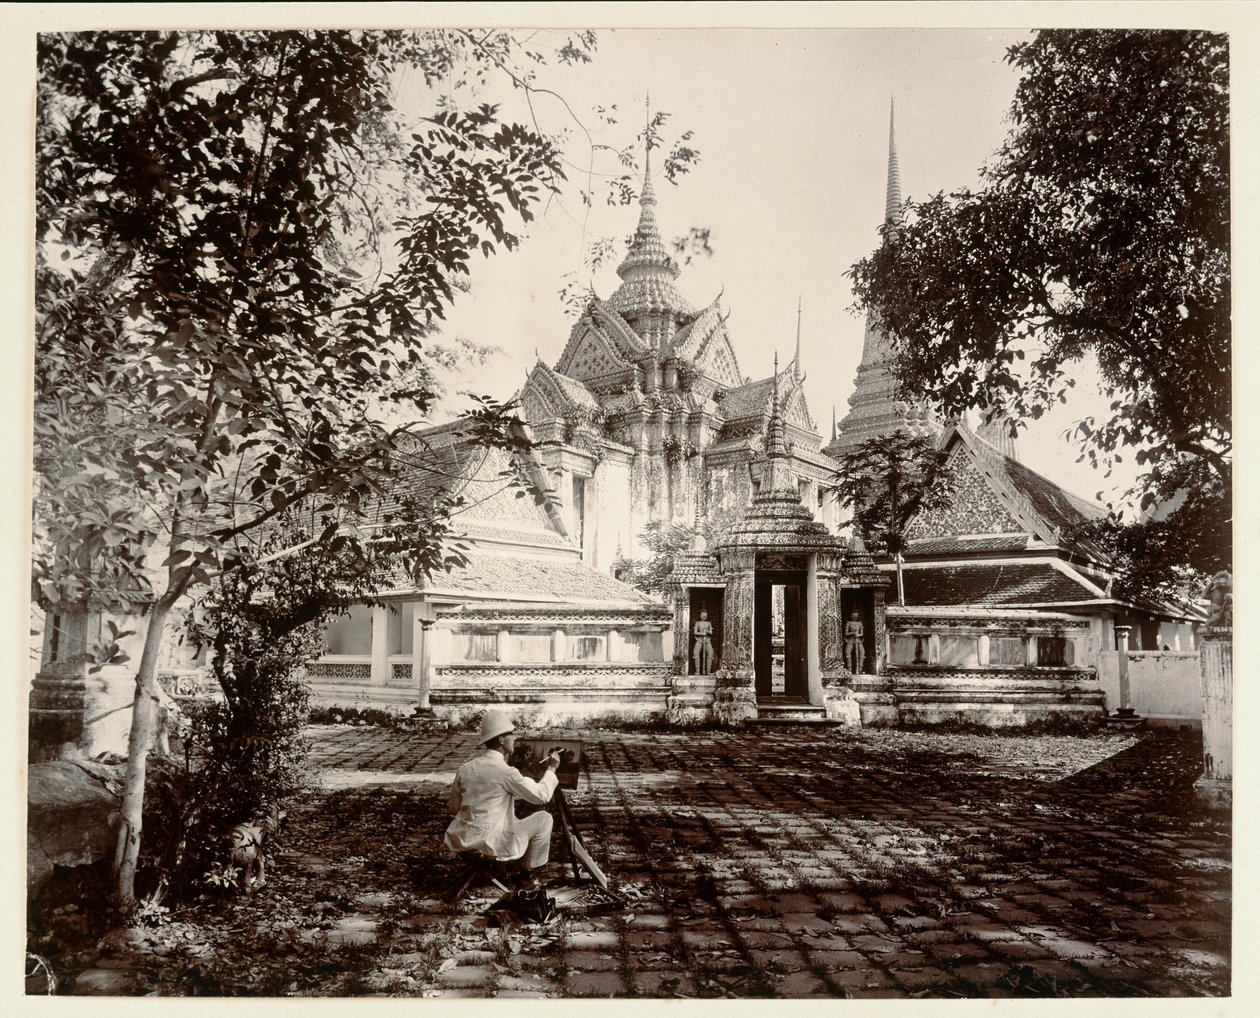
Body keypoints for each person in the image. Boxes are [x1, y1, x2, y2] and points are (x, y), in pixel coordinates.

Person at [444, 710, 561, 893]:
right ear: (500, 740)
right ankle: (527, 876)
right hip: (492, 842)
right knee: (544, 818)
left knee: (511, 819)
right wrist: (552, 769)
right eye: (511, 734)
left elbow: (453, 808)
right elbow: (542, 796)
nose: (514, 739)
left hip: (463, 839)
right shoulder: (506, 772)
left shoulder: (466, 768)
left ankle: (497, 869)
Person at [692, 609, 714, 675]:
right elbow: (695, 632)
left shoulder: (708, 623)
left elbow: (711, 632)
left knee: (710, 653)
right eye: (703, 614)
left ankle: (708, 671)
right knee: (695, 653)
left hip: (707, 640)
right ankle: (697, 670)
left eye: (705, 615)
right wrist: (702, 633)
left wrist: (707, 631)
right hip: (699, 640)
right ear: (700, 615)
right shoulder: (697, 623)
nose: (704, 616)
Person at [844, 610, 865, 674]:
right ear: (851, 616)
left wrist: (858, 635)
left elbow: (862, 633)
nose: (855, 617)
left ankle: (859, 669)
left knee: (862, 653)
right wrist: (853, 633)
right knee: (847, 653)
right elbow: (846, 633)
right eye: (853, 616)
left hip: (858, 640)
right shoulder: (848, 623)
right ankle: (849, 670)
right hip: (851, 639)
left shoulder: (860, 623)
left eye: (856, 616)